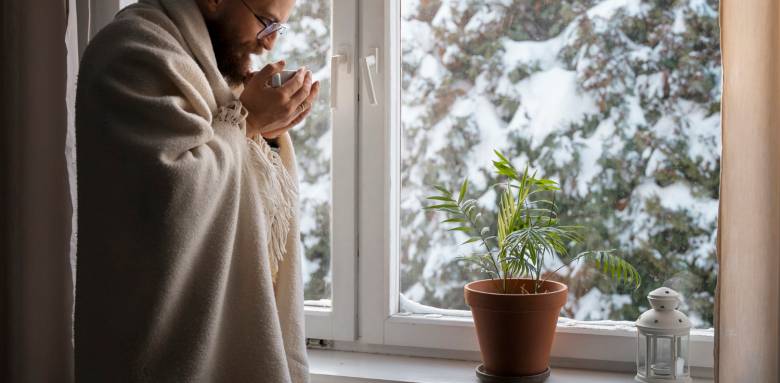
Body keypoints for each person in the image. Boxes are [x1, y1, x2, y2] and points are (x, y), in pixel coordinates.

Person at [74, 0, 317, 381]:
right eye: (266, 23)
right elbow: (173, 196)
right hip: (153, 341)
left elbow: (230, 153)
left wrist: (266, 133)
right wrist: (248, 121)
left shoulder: (213, 67)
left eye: (277, 30)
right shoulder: (132, 52)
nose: (268, 45)